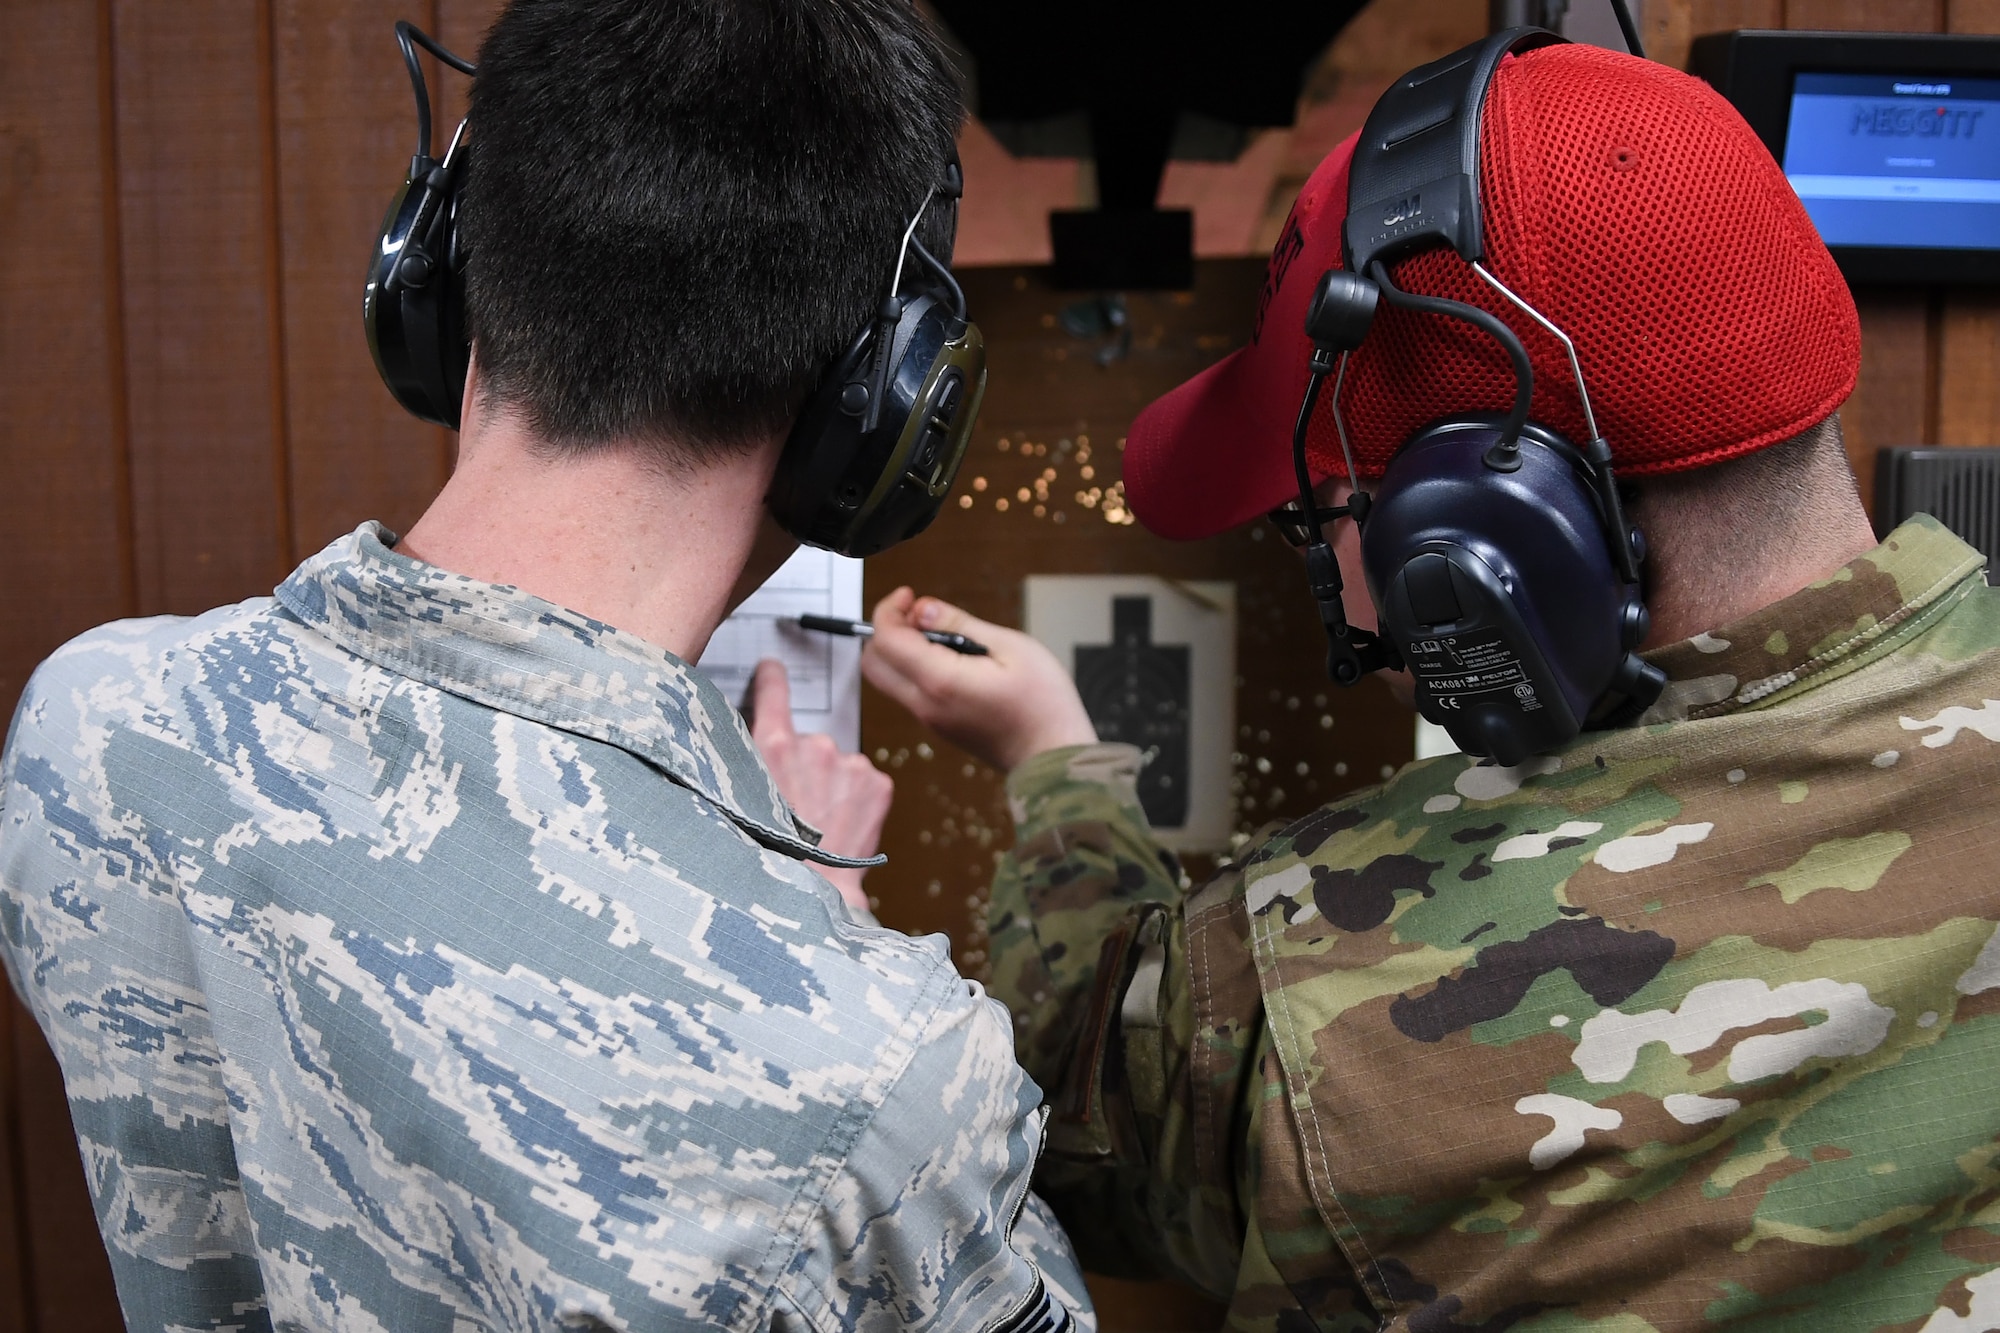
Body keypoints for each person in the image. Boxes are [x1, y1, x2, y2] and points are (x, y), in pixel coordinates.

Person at [862, 40, 2000, 1333]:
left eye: (1328, 517)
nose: (1350, 597)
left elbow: (1053, 1116)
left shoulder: (1314, 979)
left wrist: (1058, 765)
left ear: (1482, 523)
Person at [0, 2, 1090, 1329]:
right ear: (885, 401)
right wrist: (822, 927)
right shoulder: (879, 1072)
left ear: (437, 263)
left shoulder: (93, 725)